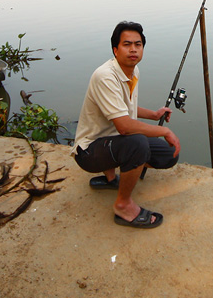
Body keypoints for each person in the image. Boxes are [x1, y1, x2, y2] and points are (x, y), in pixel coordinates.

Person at [71, 21, 180, 229]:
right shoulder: (106, 76)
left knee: (168, 153)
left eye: (138, 44)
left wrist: (154, 114)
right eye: (127, 44)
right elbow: (124, 126)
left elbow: (126, 108)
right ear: (115, 49)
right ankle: (123, 206)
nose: (133, 49)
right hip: (89, 152)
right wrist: (163, 130)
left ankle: (111, 179)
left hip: (111, 142)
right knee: (137, 143)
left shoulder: (133, 71)